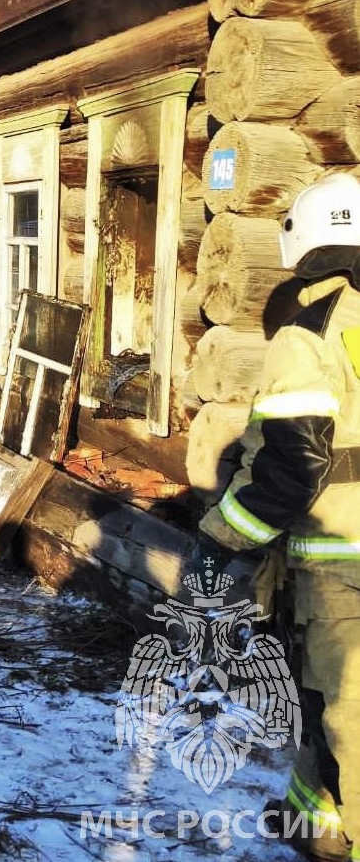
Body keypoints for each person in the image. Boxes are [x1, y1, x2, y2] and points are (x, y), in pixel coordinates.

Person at [197, 172, 360, 862]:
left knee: (348, 713)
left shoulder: (311, 330)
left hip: (339, 560)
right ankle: (310, 822)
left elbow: (293, 465)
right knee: (326, 705)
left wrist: (222, 538)